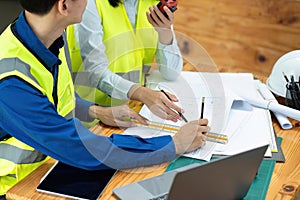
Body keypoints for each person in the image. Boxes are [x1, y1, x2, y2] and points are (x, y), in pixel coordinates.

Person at [0, 0, 208, 196]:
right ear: (64, 5)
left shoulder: (46, 39)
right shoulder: (12, 81)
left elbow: (52, 99)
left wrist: (97, 111)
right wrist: (173, 145)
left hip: (49, 164)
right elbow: (81, 148)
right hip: (14, 187)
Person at [66, 0, 183, 123]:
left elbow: (171, 73)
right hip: (88, 115)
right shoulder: (89, 3)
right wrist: (142, 93)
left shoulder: (155, 4)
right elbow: (96, 71)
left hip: (130, 110)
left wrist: (165, 31)